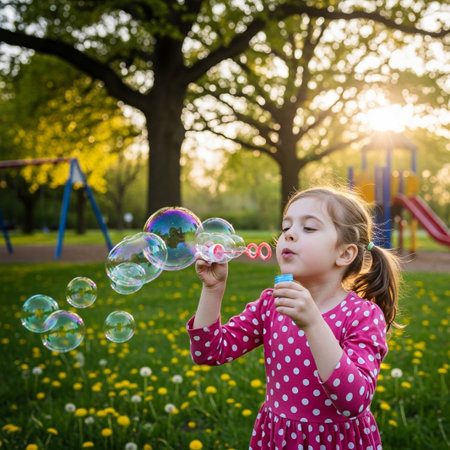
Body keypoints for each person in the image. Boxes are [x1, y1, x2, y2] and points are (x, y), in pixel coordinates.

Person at [187, 186, 401, 449]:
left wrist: (312, 322)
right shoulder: (271, 304)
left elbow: (353, 401)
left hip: (337, 442)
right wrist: (213, 289)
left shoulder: (362, 315)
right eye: (286, 227)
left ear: (344, 254)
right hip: (279, 438)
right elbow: (209, 352)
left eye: (308, 228)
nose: (288, 235)